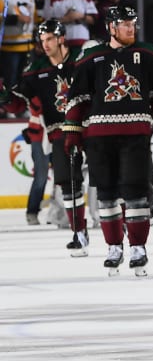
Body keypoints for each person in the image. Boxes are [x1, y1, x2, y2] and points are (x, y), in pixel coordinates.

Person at [62, 6, 153, 277]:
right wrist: (72, 131)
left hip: (136, 136)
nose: (131, 28)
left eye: (133, 23)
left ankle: (138, 248)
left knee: (136, 192)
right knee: (106, 195)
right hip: (99, 139)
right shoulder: (90, 57)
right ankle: (114, 247)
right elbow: (78, 99)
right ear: (111, 27)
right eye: (125, 24)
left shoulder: (150, 54)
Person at [14, 20, 85, 254]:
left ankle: (119, 223)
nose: (45, 44)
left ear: (61, 38)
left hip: (89, 128)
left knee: (107, 178)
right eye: (42, 40)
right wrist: (5, 95)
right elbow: (18, 103)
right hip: (59, 133)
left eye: (50, 39)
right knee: (66, 180)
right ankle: (78, 231)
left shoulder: (81, 59)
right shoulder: (36, 69)